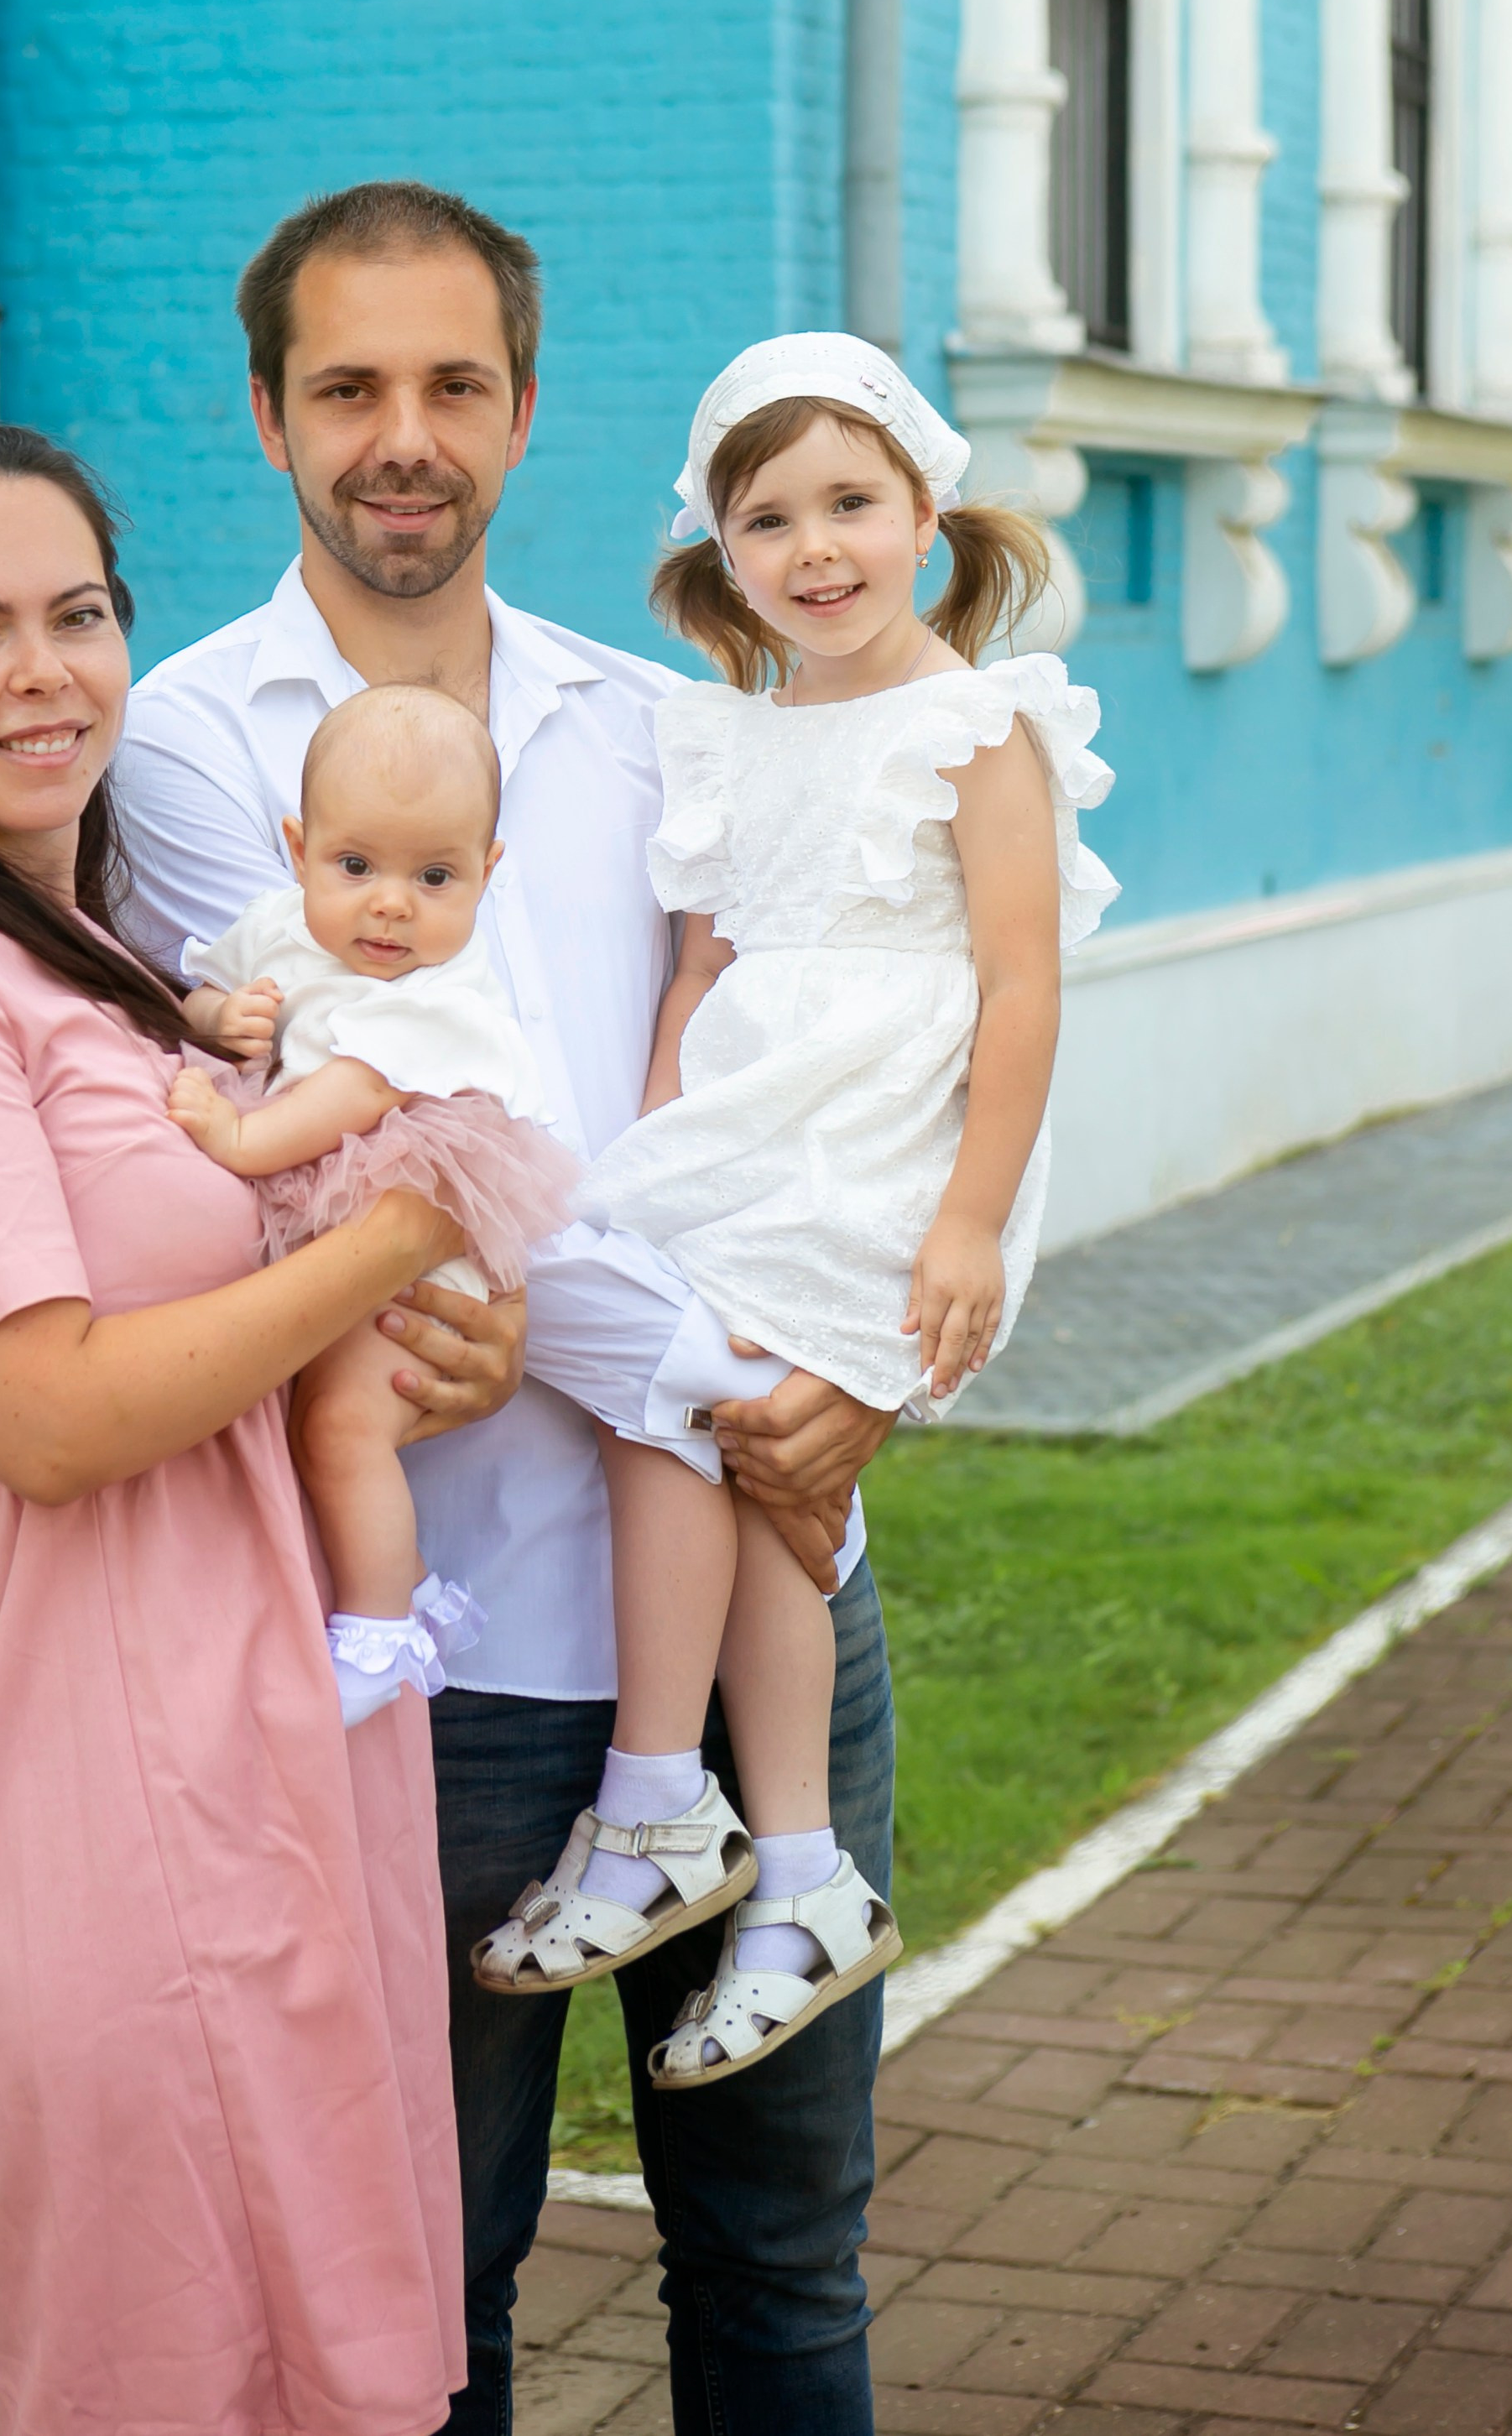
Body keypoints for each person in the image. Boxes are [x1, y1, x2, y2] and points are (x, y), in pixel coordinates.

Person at [113, 181, 900, 2436]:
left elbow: (805, 1095)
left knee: (780, 2270)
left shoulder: (664, 730)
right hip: (435, 1653)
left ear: (525, 410)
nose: (404, 435)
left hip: (765, 1579)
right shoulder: (184, 749)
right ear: (267, 414)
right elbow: (355, 1135)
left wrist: (857, 1374)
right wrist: (427, 1284)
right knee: (416, 2301)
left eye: (454, 382)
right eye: (348, 384)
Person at [0, 420, 528, 2436]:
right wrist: (397, 1240)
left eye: (79, 614)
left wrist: (407, 1338)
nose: (44, 670)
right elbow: (42, 1415)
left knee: (311, 2336)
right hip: (90, 1740)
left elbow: (223, 1303)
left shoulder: (102, 956)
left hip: (262, 1708)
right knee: (172, 2360)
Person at [477, 334, 1117, 2089]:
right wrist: (664, 1129)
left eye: (849, 500)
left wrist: (970, 1221)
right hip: (742, 1127)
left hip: (884, 1140)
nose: (814, 546)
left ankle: (663, 1803)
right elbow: (701, 958)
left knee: (716, 1421)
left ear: (925, 506)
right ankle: (792, 1866)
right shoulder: (729, 737)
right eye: (768, 516)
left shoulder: (979, 726)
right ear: (720, 551)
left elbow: (1019, 985)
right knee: (703, 1427)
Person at [169, 681, 576, 1723]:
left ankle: (380, 1629)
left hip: (417, 1250)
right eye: (355, 867)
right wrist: (228, 1014)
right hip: (336, 1234)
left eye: (434, 876)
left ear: (486, 875)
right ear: (299, 849)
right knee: (301, 1421)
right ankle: (408, 1599)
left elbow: (358, 1090)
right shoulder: (277, 928)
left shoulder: (448, 995)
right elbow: (195, 991)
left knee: (343, 1428)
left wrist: (239, 1136)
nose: (391, 903)